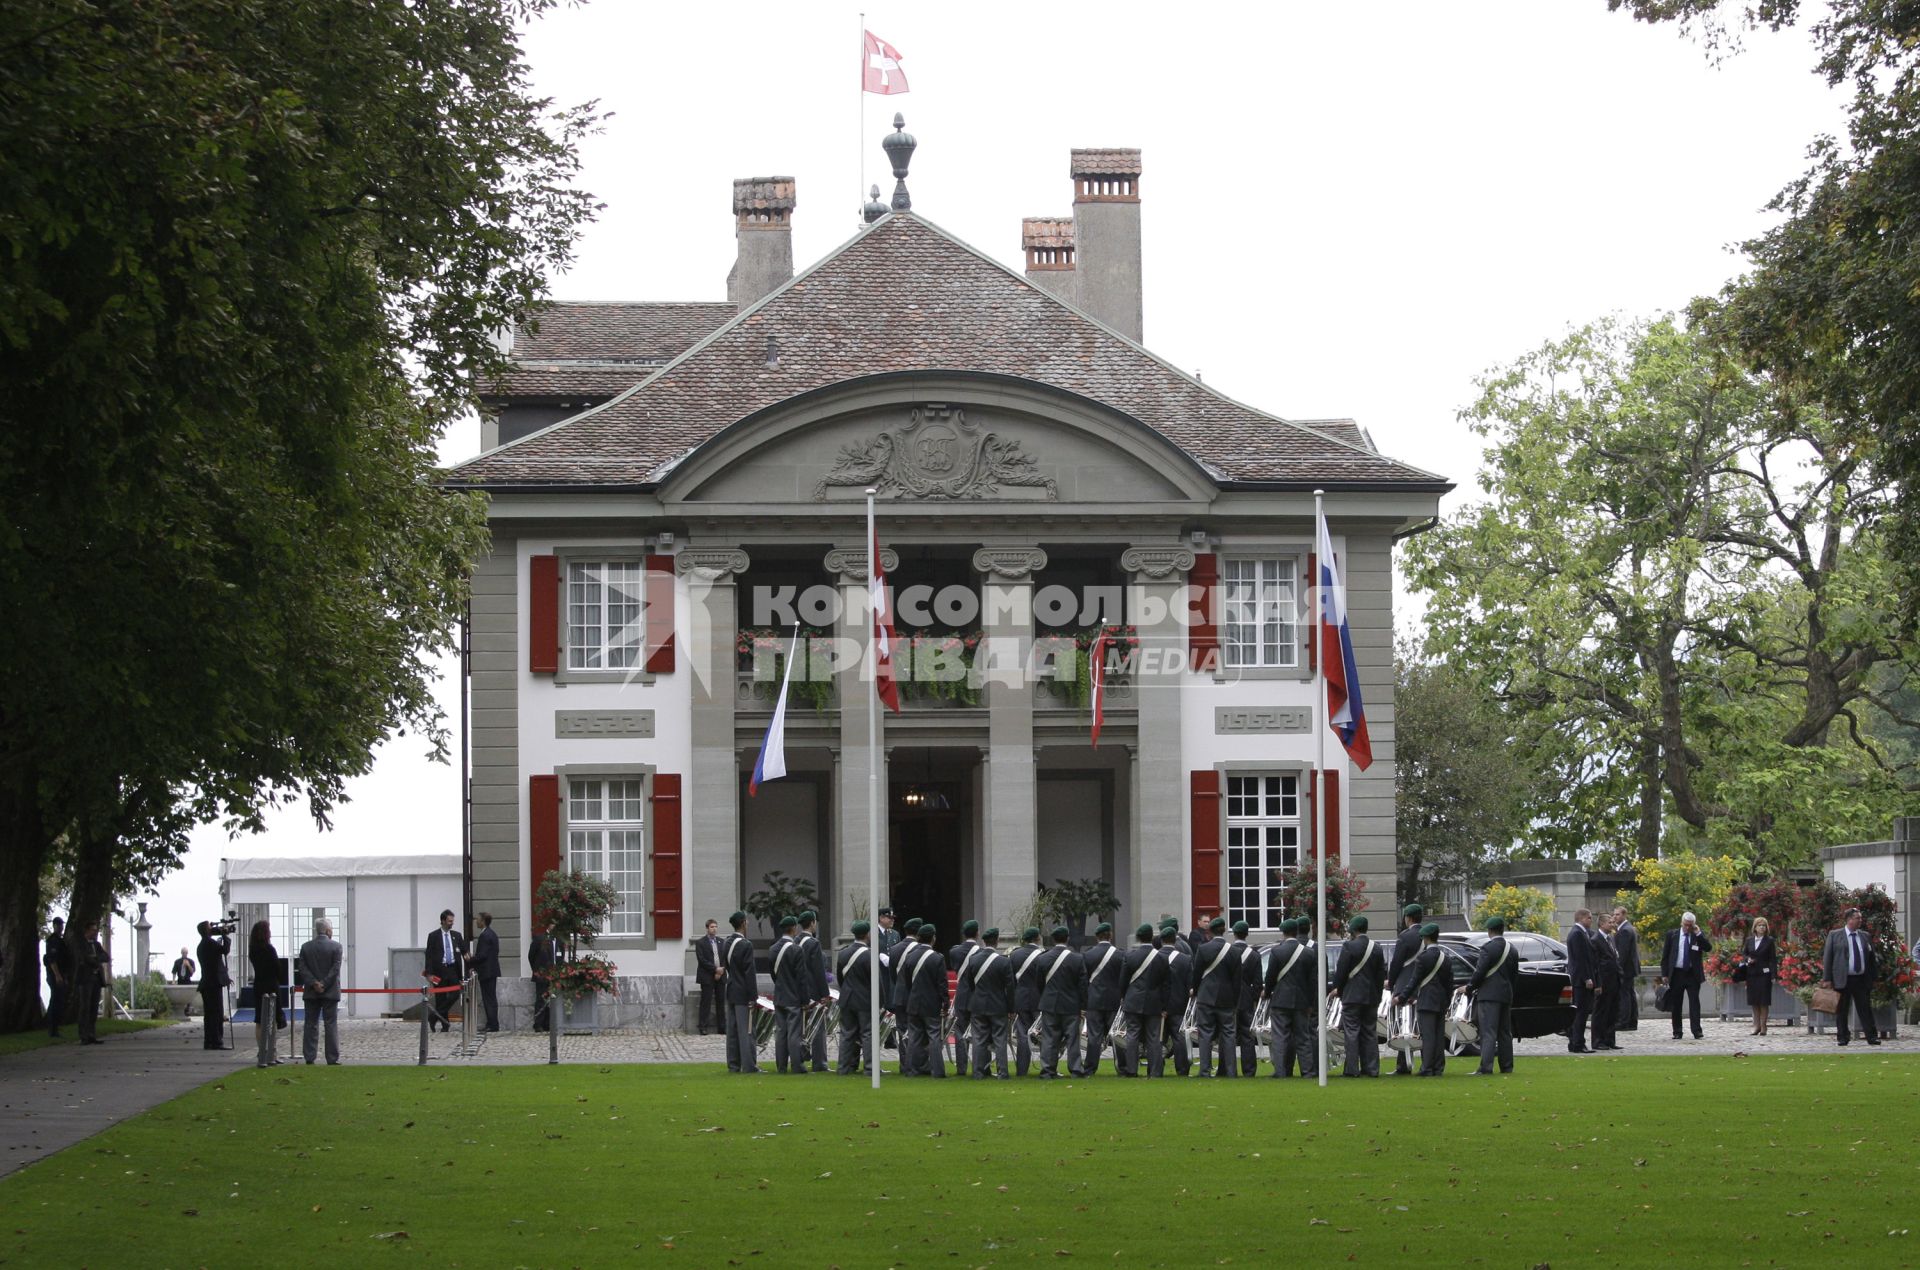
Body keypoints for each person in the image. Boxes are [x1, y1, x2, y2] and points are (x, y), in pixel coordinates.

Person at [1329, 914, 1384, 1077]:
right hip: (1371, 996)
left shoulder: (1349, 947)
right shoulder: (1377, 947)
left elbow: (1341, 972)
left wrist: (1338, 989)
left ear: (1353, 929)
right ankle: (1372, 1069)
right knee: (1370, 1033)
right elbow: (1380, 976)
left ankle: (1352, 1069)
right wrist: (1378, 996)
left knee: (1351, 1033)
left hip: (1352, 996)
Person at [1262, 918, 1318, 1078]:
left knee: (1280, 1037)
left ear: (1284, 932)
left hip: (1280, 1000)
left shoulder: (1277, 951)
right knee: (1303, 1038)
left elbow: (1270, 977)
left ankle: (1281, 1071)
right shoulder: (1309, 953)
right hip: (1301, 1001)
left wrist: (1267, 993)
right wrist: (1310, 1003)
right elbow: (1312, 981)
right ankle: (1307, 1071)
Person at [1820, 907, 1880, 1047]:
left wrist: (1873, 978)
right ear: (1848, 920)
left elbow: (1871, 959)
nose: (1860, 920)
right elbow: (1828, 958)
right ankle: (1842, 1037)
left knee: (1865, 1009)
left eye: (1860, 918)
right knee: (1842, 1010)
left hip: (1861, 979)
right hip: (1842, 978)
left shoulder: (1865, 936)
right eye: (1857, 918)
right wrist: (1827, 979)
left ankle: (1871, 1037)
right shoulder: (1835, 935)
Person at [1466, 916, 1518, 1075]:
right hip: (1505, 994)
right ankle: (1507, 1066)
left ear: (1489, 931)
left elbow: (1479, 972)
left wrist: (1469, 987)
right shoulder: (1512, 949)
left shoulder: (1488, 949)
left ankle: (1486, 1067)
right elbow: (1514, 975)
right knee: (1504, 1033)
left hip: (1488, 995)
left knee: (1488, 1032)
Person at [1193, 917, 1243, 1077]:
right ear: (1224, 930)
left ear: (1211, 931)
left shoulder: (1203, 949)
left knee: (1205, 1035)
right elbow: (1237, 980)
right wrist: (1235, 1001)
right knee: (1229, 1035)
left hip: (1206, 996)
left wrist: (1196, 991)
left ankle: (1205, 1070)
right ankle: (1230, 1071)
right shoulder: (1234, 951)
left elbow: (1197, 974)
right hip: (1227, 998)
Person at [1117, 923, 1169, 1078]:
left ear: (1138, 938)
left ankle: (1131, 1069)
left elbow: (1123, 981)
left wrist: (1123, 997)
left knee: (1132, 1036)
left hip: (1133, 1000)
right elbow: (1166, 984)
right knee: (1154, 1038)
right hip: (1154, 1002)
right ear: (1152, 937)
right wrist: (1164, 1005)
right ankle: (1154, 1071)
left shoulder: (1130, 956)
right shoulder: (1161, 957)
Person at [1035, 926, 1086, 1080]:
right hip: (1071, 1004)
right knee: (1073, 1040)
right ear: (1067, 938)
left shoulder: (1043, 958)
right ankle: (1076, 1069)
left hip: (1049, 1003)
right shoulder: (1077, 958)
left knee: (1049, 1039)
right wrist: (1083, 1005)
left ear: (1053, 939)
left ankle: (1047, 1070)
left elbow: (1039, 983)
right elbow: (1082, 985)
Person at [1402, 923, 1453, 1076]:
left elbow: (1414, 981)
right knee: (1438, 1036)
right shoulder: (1446, 957)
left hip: (1426, 1001)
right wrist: (1447, 1001)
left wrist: (1403, 997)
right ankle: (1438, 1067)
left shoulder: (1423, 958)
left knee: (1428, 1036)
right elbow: (1449, 982)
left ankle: (1427, 1068)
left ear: (1425, 938)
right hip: (1441, 1001)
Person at [968, 928, 1015, 1080]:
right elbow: (1010, 987)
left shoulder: (973, 960)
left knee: (979, 1040)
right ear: (997, 941)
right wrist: (1011, 1008)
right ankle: (1002, 1072)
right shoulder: (1004, 961)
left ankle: (978, 1072)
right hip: (998, 1005)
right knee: (1000, 1040)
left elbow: (970, 984)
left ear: (984, 941)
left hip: (978, 1004)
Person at [1656, 911, 1711, 1040]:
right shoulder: (1672, 935)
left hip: (1692, 974)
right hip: (1676, 973)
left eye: (1690, 925)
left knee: (1694, 1002)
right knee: (1676, 1004)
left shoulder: (1697, 935)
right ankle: (1677, 1031)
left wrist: (1698, 933)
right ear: (1682, 923)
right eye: (1686, 925)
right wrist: (1665, 974)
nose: (1687, 928)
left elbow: (1708, 947)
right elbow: (1666, 956)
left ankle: (1696, 1030)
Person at [905, 923, 949, 1078]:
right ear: (933, 938)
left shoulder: (910, 957)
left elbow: (907, 982)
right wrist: (945, 1003)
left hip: (914, 1002)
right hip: (931, 1003)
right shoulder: (937, 958)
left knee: (914, 1038)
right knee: (934, 1037)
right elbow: (942, 984)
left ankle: (911, 1069)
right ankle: (937, 1071)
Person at [1080, 922, 1124, 1077]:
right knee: (1117, 1036)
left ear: (1097, 937)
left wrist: (1083, 1002)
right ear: (1110, 935)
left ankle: (1090, 1069)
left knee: (1094, 1036)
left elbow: (1083, 981)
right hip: (1114, 1000)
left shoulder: (1088, 954)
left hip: (1094, 1000)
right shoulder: (1120, 954)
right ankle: (1122, 1068)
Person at [297, 918, 343, 1065]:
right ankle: (332, 1057)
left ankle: (310, 1056)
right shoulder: (336, 947)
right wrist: (324, 983)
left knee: (310, 1024)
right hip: (330, 991)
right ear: (328, 930)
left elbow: (302, 968)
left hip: (311, 992)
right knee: (330, 1024)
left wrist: (314, 983)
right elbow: (335, 969)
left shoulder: (306, 947)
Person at [1388, 904, 1426, 1076]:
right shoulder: (1428, 935)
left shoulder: (1405, 937)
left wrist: (1391, 983)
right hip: (1424, 986)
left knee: (1404, 1026)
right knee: (1423, 1027)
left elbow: (1396, 964)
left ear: (1408, 918)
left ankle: (1403, 1065)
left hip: (1405, 985)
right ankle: (1427, 1064)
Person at [835, 920, 876, 1075]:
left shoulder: (843, 952)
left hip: (847, 998)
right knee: (868, 1034)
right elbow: (875, 981)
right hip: (865, 999)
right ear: (866, 934)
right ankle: (870, 1068)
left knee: (846, 1034)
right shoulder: (869, 955)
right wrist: (881, 1001)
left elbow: (840, 978)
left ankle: (844, 1067)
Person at [722, 912, 760, 1073]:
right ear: (743, 923)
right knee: (747, 1031)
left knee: (732, 1032)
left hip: (730, 989)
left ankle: (733, 1064)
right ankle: (749, 1065)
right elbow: (749, 973)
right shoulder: (745, 945)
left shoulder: (726, 943)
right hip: (743, 992)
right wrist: (753, 996)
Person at [769, 915, 807, 1074]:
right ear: (794, 928)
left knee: (781, 1033)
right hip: (793, 996)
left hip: (779, 995)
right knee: (794, 1034)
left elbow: (773, 974)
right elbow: (801, 978)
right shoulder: (797, 949)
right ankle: (797, 1065)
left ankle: (781, 1066)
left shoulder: (773, 949)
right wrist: (804, 999)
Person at [948, 919, 983, 1078]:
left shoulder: (954, 952)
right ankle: (978, 1067)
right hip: (977, 994)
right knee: (978, 1032)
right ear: (977, 933)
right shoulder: (981, 953)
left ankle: (961, 1068)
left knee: (960, 1032)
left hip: (961, 994)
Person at [422, 909, 466, 1034]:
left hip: (453, 969)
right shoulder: (433, 936)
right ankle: (445, 1024)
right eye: (449, 921)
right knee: (440, 998)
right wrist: (429, 973)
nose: (451, 923)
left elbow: (464, 952)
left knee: (455, 994)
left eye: (452, 921)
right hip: (440, 970)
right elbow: (429, 955)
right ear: (442, 921)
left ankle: (434, 1016)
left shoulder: (456, 935)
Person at [797, 911, 830, 1072]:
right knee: (817, 1028)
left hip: (798, 991)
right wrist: (825, 994)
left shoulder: (795, 941)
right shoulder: (813, 943)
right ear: (812, 923)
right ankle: (820, 1062)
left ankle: (799, 1058)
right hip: (813, 991)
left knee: (800, 1028)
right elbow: (818, 971)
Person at [1159, 920, 1193, 1077]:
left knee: (1157, 1038)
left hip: (1159, 1005)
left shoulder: (1155, 957)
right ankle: (1182, 1068)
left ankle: (1156, 1067)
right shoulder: (1185, 958)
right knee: (1179, 1039)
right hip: (1179, 1002)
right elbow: (1189, 984)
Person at [248, 919, 283, 1067]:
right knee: (272, 1020)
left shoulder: (253, 950)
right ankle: (271, 1053)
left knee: (260, 1020)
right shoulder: (270, 949)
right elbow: (277, 968)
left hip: (259, 985)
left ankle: (262, 1050)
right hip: (271, 985)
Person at [1009, 926, 1043, 1077]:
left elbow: (1010, 981)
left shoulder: (1014, 955)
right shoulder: (1043, 955)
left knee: (1022, 1035)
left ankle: (1022, 1070)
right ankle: (1047, 1068)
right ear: (1037, 938)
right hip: (1039, 999)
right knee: (1042, 1034)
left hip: (1021, 998)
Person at [1232, 921, 1263, 1076]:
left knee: (1229, 1035)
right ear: (1247, 934)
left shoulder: (1228, 952)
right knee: (1247, 1036)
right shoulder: (1254, 955)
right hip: (1246, 999)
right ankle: (1249, 1070)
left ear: (1234, 933)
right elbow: (1257, 983)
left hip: (1229, 998)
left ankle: (1229, 1069)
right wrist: (1253, 997)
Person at [1565, 908, 1597, 1053]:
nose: (1591, 920)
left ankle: (1574, 1042)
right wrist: (1587, 978)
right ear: (1582, 918)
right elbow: (1580, 959)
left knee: (1581, 1013)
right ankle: (1578, 1043)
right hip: (1580, 980)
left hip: (1580, 978)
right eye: (1589, 918)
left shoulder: (1580, 933)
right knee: (1581, 1013)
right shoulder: (1577, 934)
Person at [1739, 917, 1778, 1036]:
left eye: (1764, 926)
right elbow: (1744, 954)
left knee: (1763, 1001)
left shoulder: (1769, 941)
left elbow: (1772, 959)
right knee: (1754, 1000)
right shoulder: (1749, 940)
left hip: (1764, 974)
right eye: (1760, 925)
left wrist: (1773, 974)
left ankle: (1764, 1025)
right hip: (1751, 974)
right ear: (1755, 927)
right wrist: (1747, 959)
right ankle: (1756, 1025)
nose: (1762, 927)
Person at [196, 920, 231, 1049]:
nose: (212, 928)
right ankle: (216, 1041)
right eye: (210, 926)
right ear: (206, 930)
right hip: (213, 983)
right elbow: (224, 950)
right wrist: (225, 935)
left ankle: (209, 1040)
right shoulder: (209, 943)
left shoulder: (203, 945)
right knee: (216, 1013)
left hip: (207, 983)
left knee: (210, 1014)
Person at [74, 921, 109, 1045]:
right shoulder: (81, 944)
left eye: (96, 930)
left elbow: (106, 957)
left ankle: (91, 1034)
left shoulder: (97, 945)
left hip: (96, 979)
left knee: (94, 1008)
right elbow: (84, 958)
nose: (95, 932)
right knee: (85, 1007)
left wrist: (96, 959)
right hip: (85, 979)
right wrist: (95, 961)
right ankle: (83, 1035)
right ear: (87, 931)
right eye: (93, 930)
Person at [1591, 914, 1621, 1051]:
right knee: (1601, 1011)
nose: (1612, 924)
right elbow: (1595, 964)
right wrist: (1598, 983)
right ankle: (1598, 1040)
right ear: (1602, 924)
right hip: (1603, 981)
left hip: (1614, 980)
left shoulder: (1611, 938)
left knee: (1612, 1011)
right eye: (1610, 922)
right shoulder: (1596, 940)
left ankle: (1609, 1039)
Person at [1611, 907, 1641, 1032]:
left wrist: (1617, 968)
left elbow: (1622, 954)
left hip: (1625, 968)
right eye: (1614, 914)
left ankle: (1624, 1021)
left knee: (1624, 995)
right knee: (1630, 994)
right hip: (1630, 967)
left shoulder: (1625, 930)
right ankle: (1632, 1021)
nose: (1614, 917)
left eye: (1617, 914)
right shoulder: (1628, 928)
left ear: (1624, 915)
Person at [528, 926, 563, 1033]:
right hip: (542, 975)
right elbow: (531, 956)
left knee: (551, 1000)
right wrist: (537, 970)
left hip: (554, 975)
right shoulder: (539, 939)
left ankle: (548, 1024)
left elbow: (560, 957)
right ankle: (538, 1024)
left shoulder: (559, 941)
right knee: (541, 999)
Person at [470, 912, 501, 1033]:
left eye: (478, 919)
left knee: (489, 999)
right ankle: (492, 1023)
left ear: (483, 921)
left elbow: (482, 955)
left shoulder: (485, 935)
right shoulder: (492, 934)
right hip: (491, 971)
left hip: (487, 972)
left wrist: (471, 959)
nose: (476, 921)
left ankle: (492, 1024)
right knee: (490, 998)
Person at [693, 918, 724, 1036]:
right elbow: (702, 960)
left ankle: (722, 1027)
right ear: (707, 928)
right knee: (705, 1002)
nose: (714, 929)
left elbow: (725, 957)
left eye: (716, 926)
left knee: (720, 1002)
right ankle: (703, 1026)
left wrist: (721, 970)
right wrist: (715, 969)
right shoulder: (701, 943)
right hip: (707, 976)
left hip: (721, 975)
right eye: (712, 927)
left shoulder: (722, 942)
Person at [42, 917, 72, 1039]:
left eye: (61, 925)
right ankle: (52, 1029)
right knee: (55, 1001)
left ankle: (55, 1027)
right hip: (55, 975)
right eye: (58, 925)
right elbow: (52, 960)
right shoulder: (53, 941)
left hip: (61, 975)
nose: (61, 927)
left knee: (59, 1002)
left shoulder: (60, 941)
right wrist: (57, 976)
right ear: (54, 925)